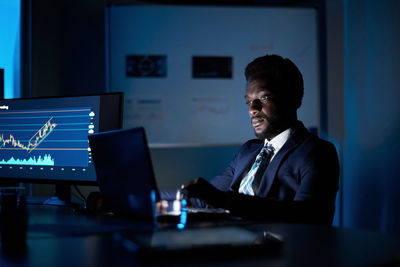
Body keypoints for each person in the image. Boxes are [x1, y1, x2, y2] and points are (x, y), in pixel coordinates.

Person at [180, 54, 339, 225]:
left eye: (264, 98)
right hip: (232, 242)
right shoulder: (247, 151)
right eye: (249, 102)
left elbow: (309, 215)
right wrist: (152, 195)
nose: (252, 110)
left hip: (278, 249)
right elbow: (204, 198)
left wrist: (225, 201)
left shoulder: (317, 152)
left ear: (293, 100)